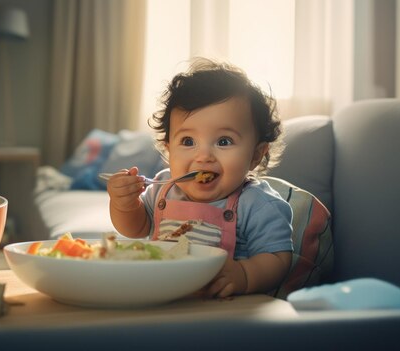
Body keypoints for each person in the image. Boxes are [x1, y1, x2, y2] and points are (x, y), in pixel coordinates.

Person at [105, 58, 293, 298]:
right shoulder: (163, 190)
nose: (203, 156)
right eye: (188, 142)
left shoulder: (257, 204)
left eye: (223, 141)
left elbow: (278, 258)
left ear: (256, 155)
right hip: (162, 297)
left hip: (222, 312)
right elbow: (135, 228)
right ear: (168, 149)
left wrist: (245, 274)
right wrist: (124, 204)